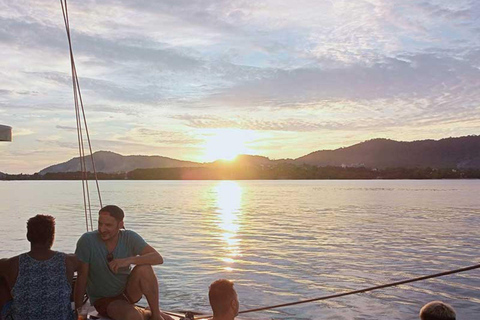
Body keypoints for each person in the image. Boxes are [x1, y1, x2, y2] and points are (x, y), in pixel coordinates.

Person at [74, 205, 173, 320]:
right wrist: (78, 311)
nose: (102, 229)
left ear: (120, 225)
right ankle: (145, 313)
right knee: (134, 317)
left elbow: (157, 258)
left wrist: (128, 260)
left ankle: (156, 315)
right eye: (100, 224)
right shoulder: (87, 241)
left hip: (127, 292)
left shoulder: (129, 237)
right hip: (104, 299)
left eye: (108, 225)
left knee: (144, 268)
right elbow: (82, 278)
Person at [0, 214, 77, 320]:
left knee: (3, 282)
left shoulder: (11, 264)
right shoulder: (69, 261)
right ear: (52, 237)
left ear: (28, 236)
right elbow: (85, 264)